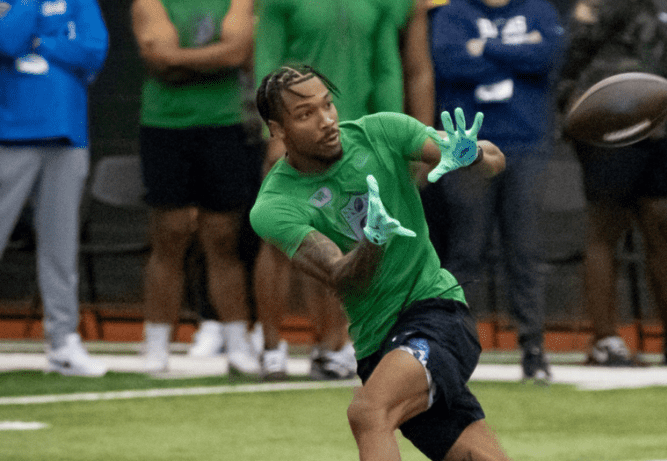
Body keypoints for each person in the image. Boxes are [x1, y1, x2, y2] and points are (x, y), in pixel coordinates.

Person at [249, 66, 667, 461]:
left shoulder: (382, 131)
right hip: (379, 348)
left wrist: (470, 156)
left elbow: (491, 158)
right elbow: (343, 274)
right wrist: (372, 241)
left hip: (437, 315)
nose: (325, 120)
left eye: (327, 103)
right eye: (305, 114)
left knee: (368, 411)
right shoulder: (273, 206)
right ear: (278, 131)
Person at [251, 0, 435, 381]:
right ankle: (271, 348)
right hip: (298, 137)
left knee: (339, 242)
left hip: (351, 141)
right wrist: (275, 137)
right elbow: (266, 60)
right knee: (278, 243)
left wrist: (397, 145)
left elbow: (386, 70)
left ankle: (331, 345)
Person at [430, 0, 565, 382]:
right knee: (465, 251)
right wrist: (516, 55)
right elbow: (450, 64)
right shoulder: (453, 13)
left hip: (526, 145)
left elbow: (546, 58)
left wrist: (485, 47)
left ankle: (533, 349)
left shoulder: (538, 9)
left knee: (525, 251)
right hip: (467, 148)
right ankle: (452, 349)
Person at [557, 0, 667, 367]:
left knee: (662, 223)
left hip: (657, 122)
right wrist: (570, 103)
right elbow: (573, 48)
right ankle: (605, 339)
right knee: (606, 226)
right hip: (609, 119)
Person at [131, 0, 261, 375]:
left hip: (223, 124)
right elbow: (158, 60)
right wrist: (215, 58)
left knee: (222, 236)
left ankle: (236, 343)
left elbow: (237, 52)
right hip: (163, 125)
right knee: (169, 233)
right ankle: (157, 344)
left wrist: (178, 59)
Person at [0, 0, 108, 377]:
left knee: (61, 247)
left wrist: (39, 41)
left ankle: (63, 342)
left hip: (67, 133)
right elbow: (7, 42)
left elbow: (93, 53)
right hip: (9, 135)